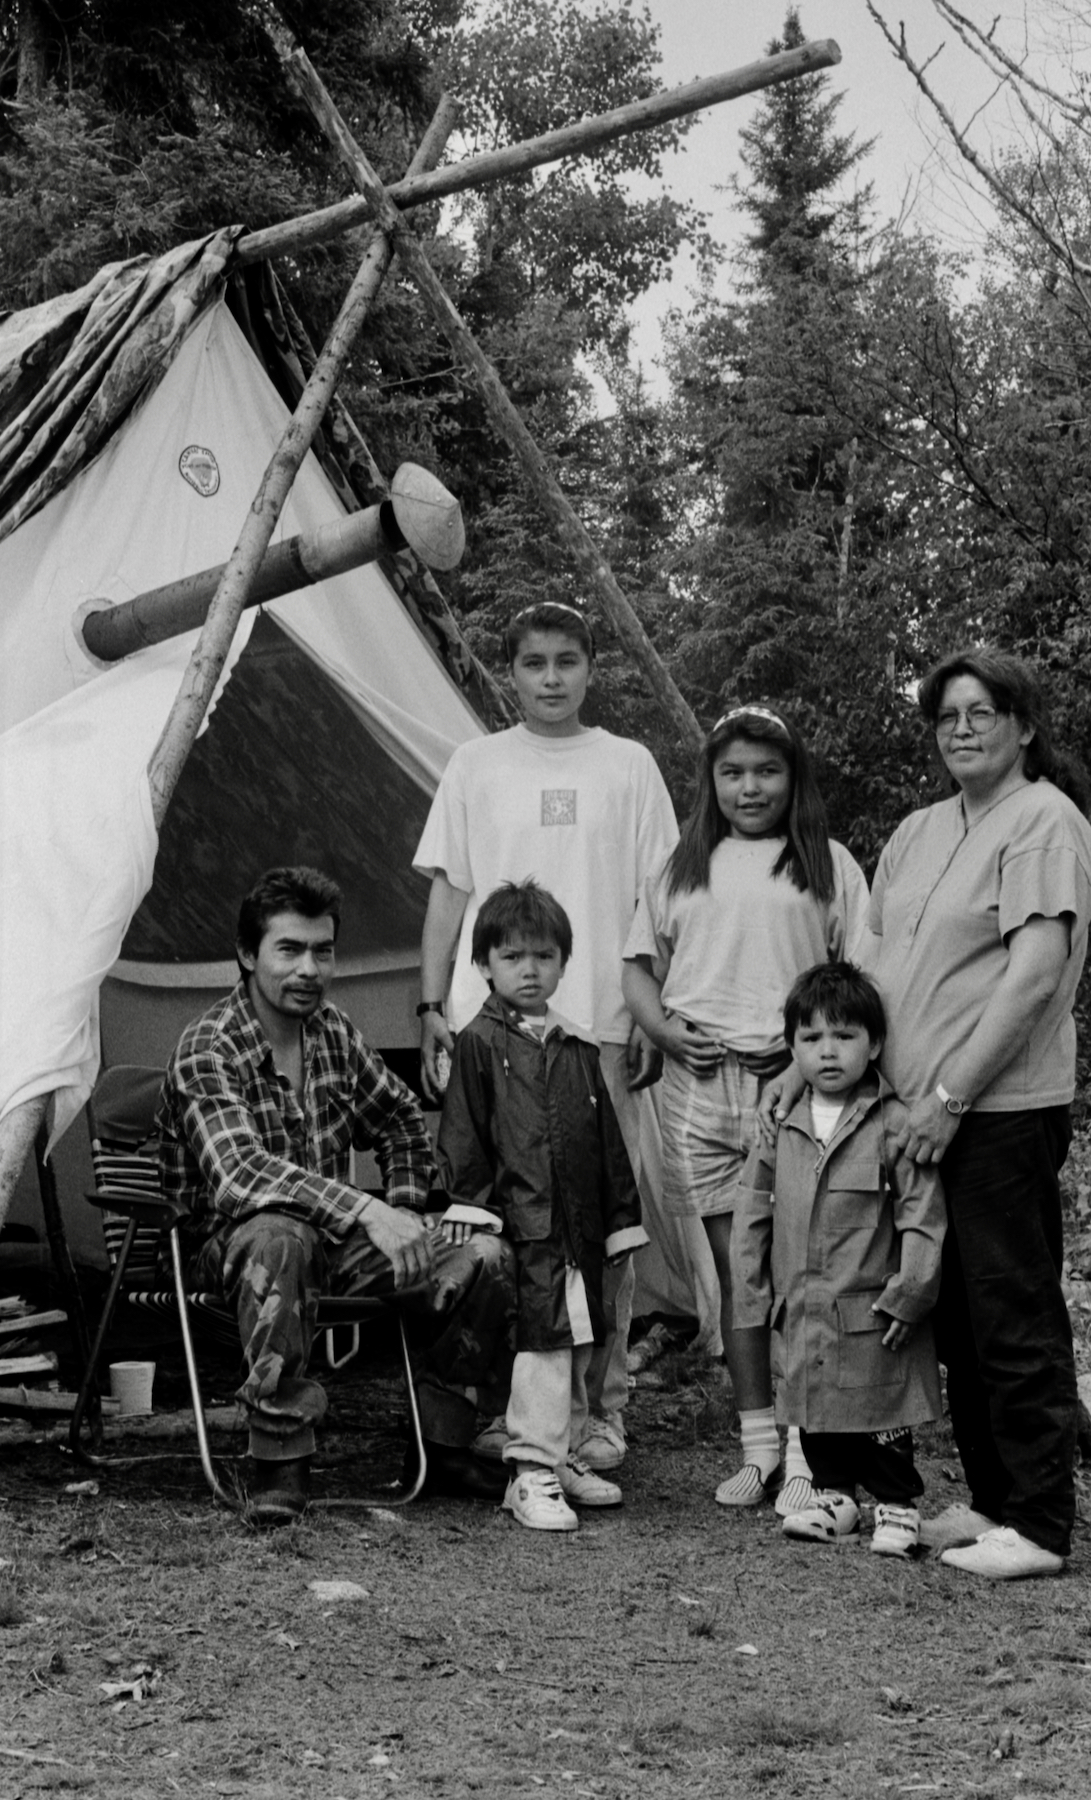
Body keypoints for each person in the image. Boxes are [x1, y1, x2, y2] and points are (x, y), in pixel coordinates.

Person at [773, 649, 1091, 1580]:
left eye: (982, 711)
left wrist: (952, 1097)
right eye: (947, 715)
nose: (961, 728)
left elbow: (1034, 976)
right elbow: (871, 968)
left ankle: (1038, 1522)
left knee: (1012, 1312)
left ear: (1024, 724)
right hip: (908, 1113)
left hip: (998, 1109)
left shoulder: (1043, 822)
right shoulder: (917, 830)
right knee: (953, 1319)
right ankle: (995, 1506)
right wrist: (814, 1071)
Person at [412, 600, 693, 1473]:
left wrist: (651, 1013)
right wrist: (431, 1011)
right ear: (511, 671)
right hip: (487, 1035)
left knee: (600, 1229)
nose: (550, 678)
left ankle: (599, 1411)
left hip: (599, 1031)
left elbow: (661, 903)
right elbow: (450, 896)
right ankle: (502, 1407)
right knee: (489, 1222)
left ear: (590, 666)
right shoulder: (475, 762)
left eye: (567, 661)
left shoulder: (630, 765)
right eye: (533, 663)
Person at [157, 866, 516, 1526]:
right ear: (246, 954)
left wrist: (404, 1208)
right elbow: (239, 1174)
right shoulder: (208, 1046)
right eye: (289, 949)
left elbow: (403, 1118)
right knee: (279, 1233)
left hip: (334, 1242)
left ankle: (443, 1443)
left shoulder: (333, 1031)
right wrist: (366, 1208)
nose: (309, 969)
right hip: (227, 1245)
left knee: (484, 1255)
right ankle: (281, 1460)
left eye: (322, 950)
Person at [622, 704, 870, 1508]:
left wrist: (807, 1068)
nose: (749, 786)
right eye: (732, 772)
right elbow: (638, 969)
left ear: (792, 776)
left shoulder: (825, 864)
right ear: (711, 781)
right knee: (741, 1277)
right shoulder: (682, 865)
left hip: (792, 1085)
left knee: (800, 1271)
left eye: (766, 770)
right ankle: (757, 1443)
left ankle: (807, 1448)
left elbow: (861, 980)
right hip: (700, 1082)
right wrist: (663, 1030)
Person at [436, 881, 648, 1532]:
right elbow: (463, 1132)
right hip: (524, 1224)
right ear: (484, 964)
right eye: (513, 956)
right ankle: (529, 1470)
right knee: (542, 1343)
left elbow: (608, 1142)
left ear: (563, 961)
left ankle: (562, 1454)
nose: (530, 969)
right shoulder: (477, 1042)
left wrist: (620, 1219)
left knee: (584, 1336)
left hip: (579, 1223)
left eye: (544, 955)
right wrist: (471, 1209)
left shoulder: (578, 1046)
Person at [733, 962, 945, 1557]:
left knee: (882, 1408)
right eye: (812, 1038)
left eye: (845, 1036)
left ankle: (896, 1505)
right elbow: (752, 1210)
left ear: (874, 1043)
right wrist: (752, 1293)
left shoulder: (893, 1121)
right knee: (814, 1407)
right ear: (792, 1047)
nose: (829, 1052)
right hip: (803, 1303)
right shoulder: (781, 1123)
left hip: (873, 1307)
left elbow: (921, 1213)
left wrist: (913, 1290)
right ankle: (834, 1495)